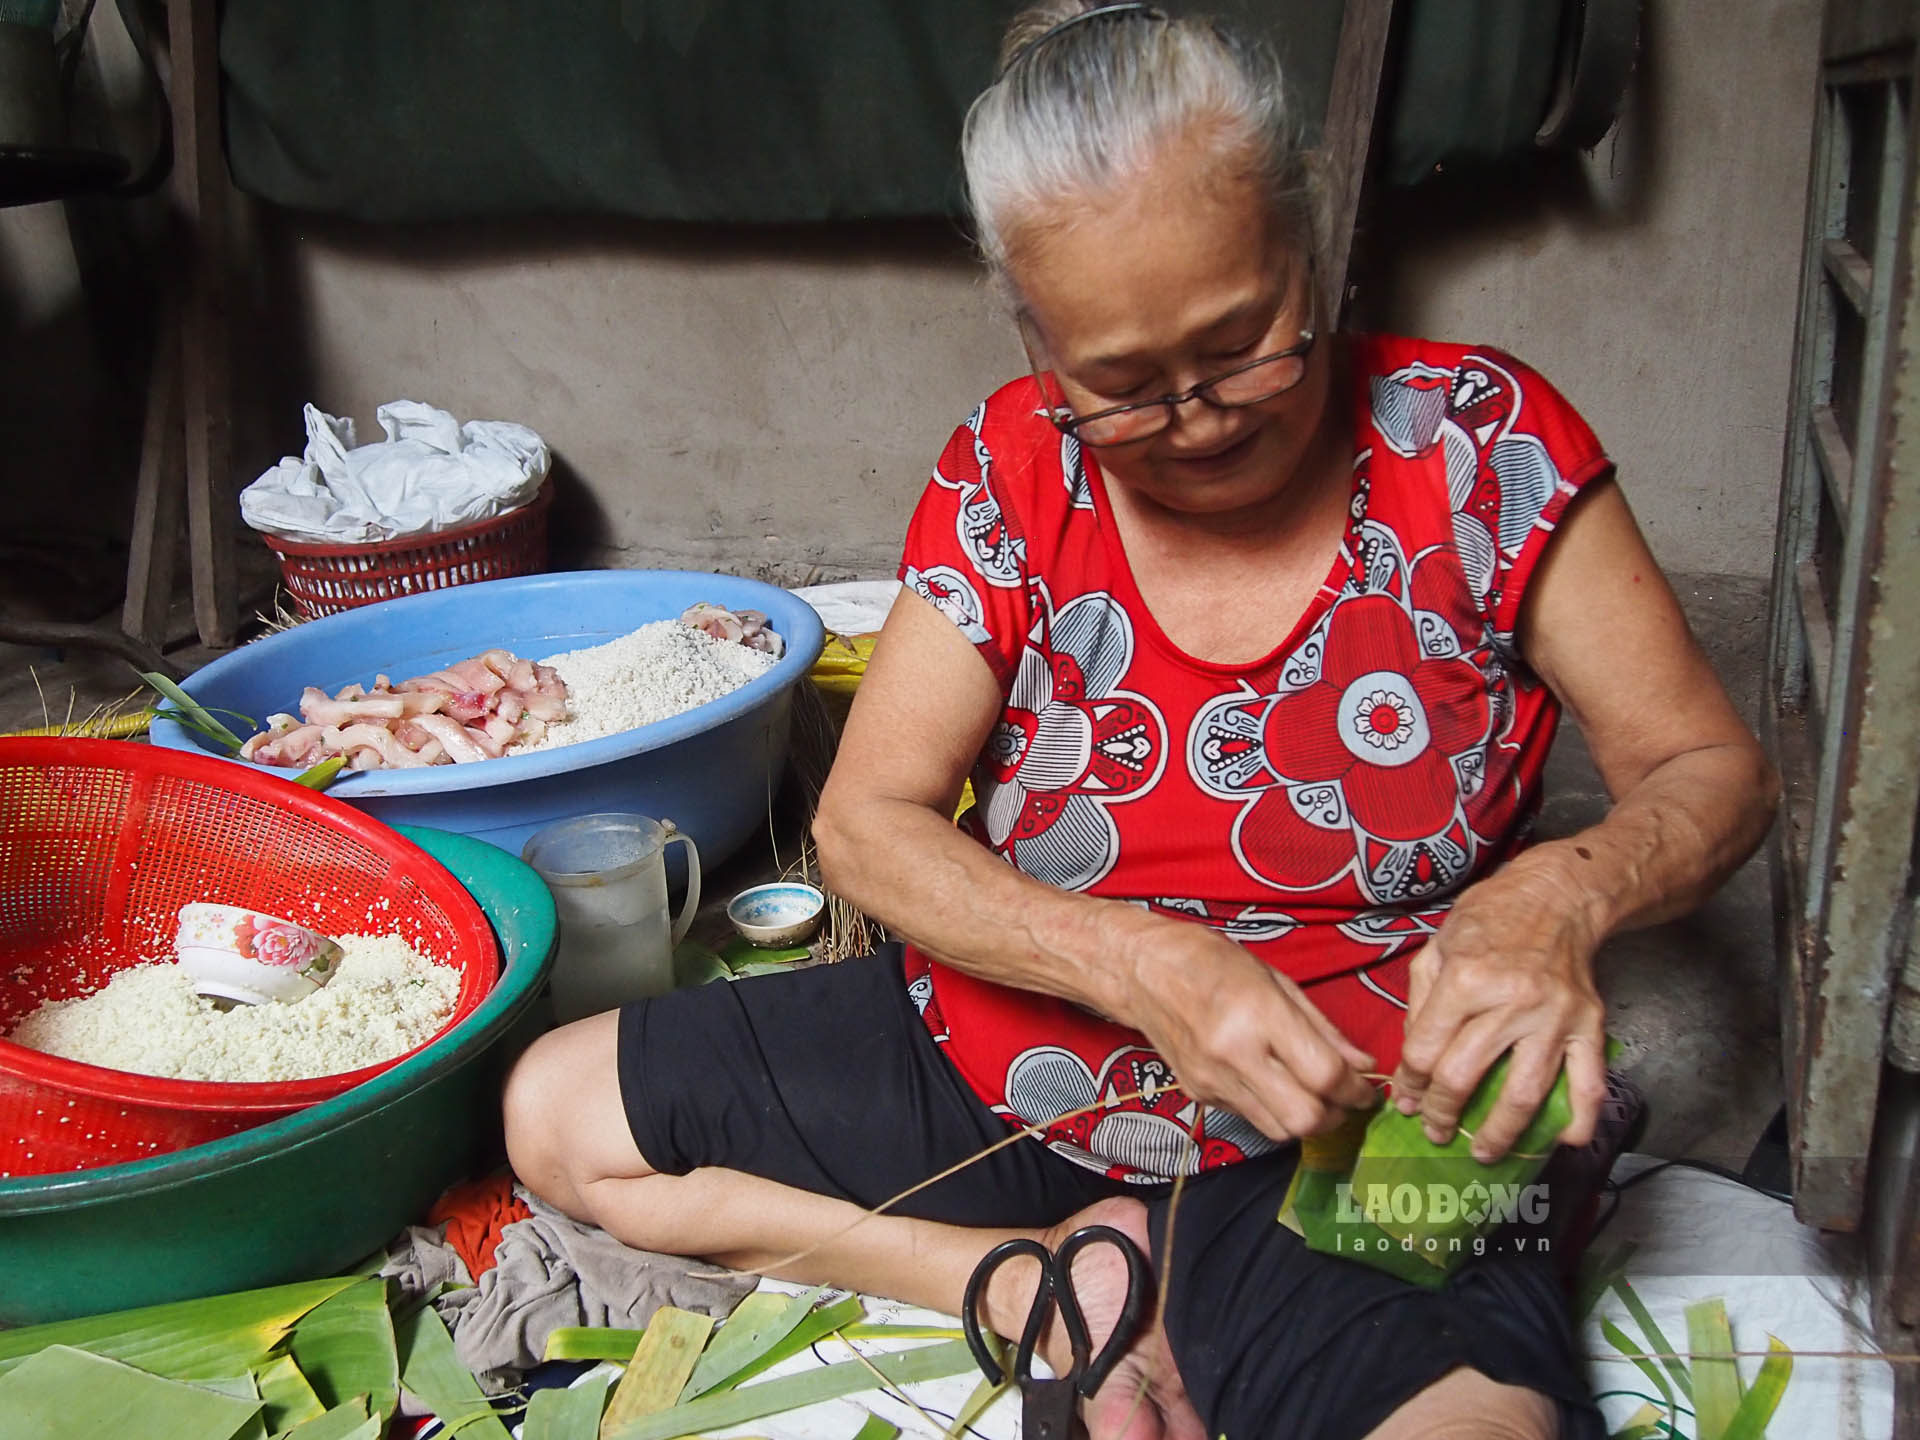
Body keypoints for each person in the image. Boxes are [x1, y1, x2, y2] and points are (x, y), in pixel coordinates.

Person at [503, 5, 1779, 1436]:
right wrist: (1137, 965)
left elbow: (1711, 766)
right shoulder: (1007, 469)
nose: (1201, 416)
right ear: (1036, 338)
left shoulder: (1481, 445)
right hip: (1019, 1052)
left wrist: (1553, 903)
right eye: (1120, 384)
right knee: (557, 1111)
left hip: (1351, 1108)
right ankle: (1026, 1278)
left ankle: (1179, 1272)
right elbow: (867, 826)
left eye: (1243, 345)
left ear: (1307, 239)